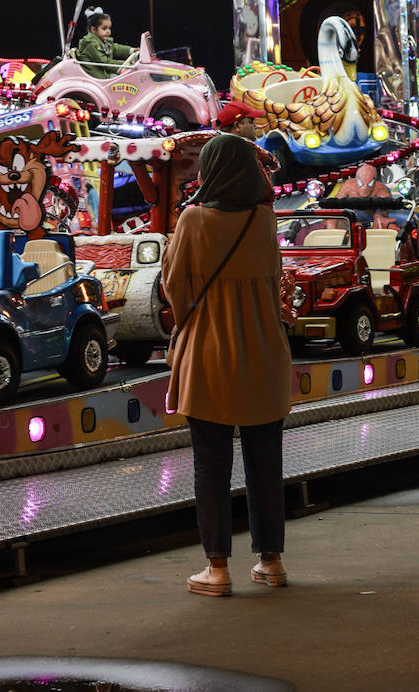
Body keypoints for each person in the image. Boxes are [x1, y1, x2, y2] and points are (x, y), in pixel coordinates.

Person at [163, 133, 292, 597]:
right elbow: (275, 280)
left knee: (211, 466)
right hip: (265, 355)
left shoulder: (193, 221)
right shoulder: (264, 220)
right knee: (266, 464)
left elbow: (175, 289)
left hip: (210, 357)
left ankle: (217, 570)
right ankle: (271, 561)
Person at [76, 8, 135, 79]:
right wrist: (125, 65)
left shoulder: (103, 40)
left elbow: (116, 49)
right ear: (93, 29)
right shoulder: (90, 44)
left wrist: (131, 50)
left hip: (104, 71)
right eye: (104, 28)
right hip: (97, 76)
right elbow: (104, 62)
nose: (108, 31)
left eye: (109, 28)